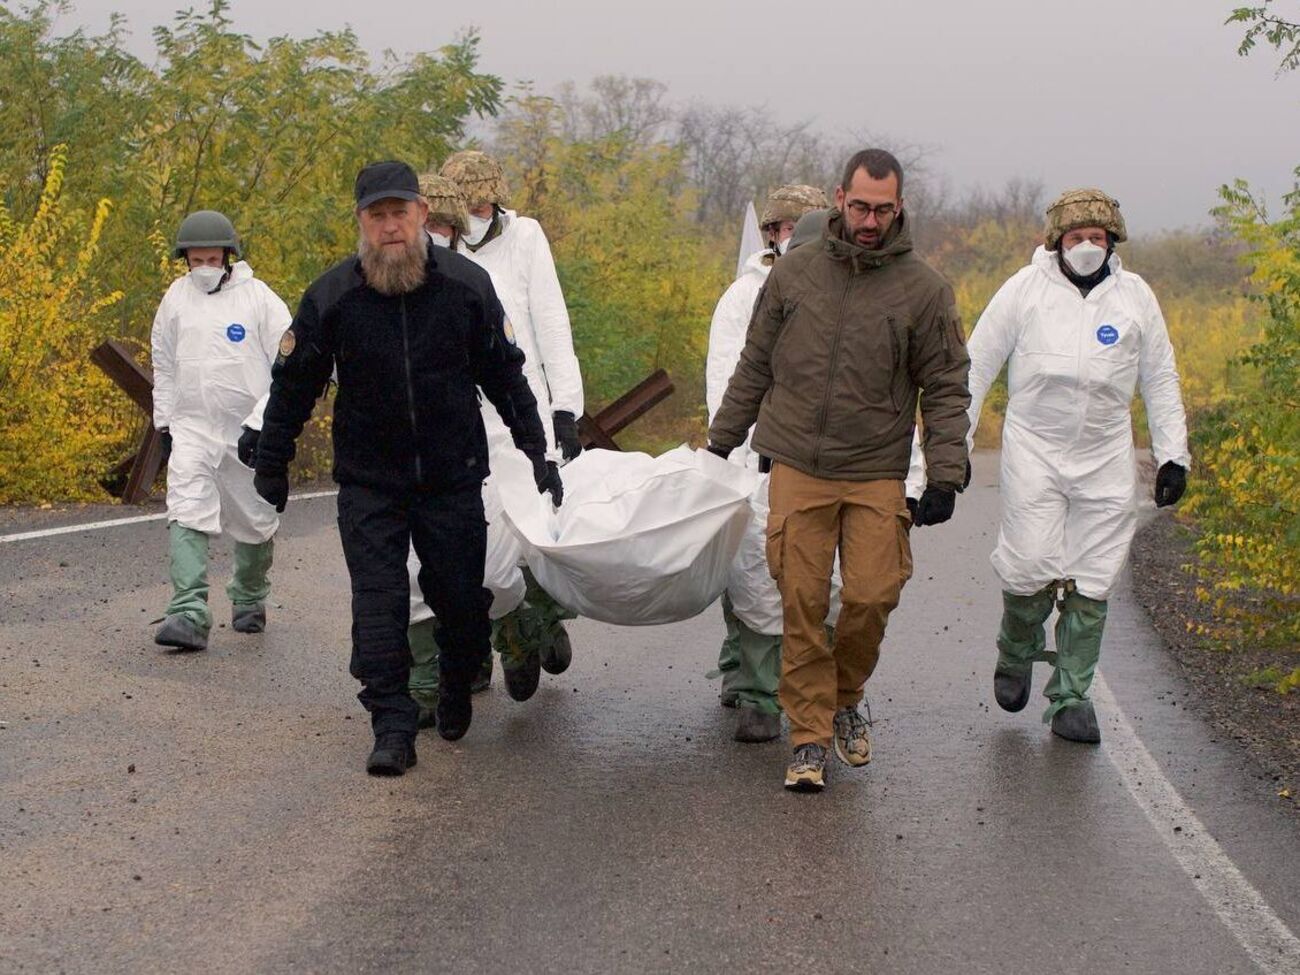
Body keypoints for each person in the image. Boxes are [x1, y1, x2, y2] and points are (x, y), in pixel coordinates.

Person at [253, 161, 559, 775]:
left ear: (422, 214)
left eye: (400, 212)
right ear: (362, 223)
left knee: (462, 605)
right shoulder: (333, 296)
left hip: (451, 477)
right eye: (377, 215)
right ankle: (390, 724)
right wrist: (271, 461)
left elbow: (506, 374)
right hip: (370, 482)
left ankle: (455, 678)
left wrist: (536, 449)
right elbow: (292, 387)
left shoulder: (466, 286)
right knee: (379, 604)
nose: (390, 226)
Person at [708, 149, 972, 791]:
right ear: (838, 199)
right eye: (859, 207)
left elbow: (945, 384)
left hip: (877, 468)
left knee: (872, 595)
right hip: (797, 461)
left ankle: (845, 694)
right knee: (798, 600)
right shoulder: (794, 275)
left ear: (899, 206)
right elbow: (755, 364)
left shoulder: (925, 290)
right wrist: (720, 443)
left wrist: (944, 471)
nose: (870, 220)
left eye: (883, 209)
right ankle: (807, 739)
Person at [966, 188, 1190, 743]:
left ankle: (1071, 695)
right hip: (1034, 451)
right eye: (1076, 237)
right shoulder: (1024, 291)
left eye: (1097, 237)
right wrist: (955, 445)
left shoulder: (1135, 298)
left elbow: (1160, 377)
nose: (1087, 246)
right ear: (1056, 242)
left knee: (1095, 575)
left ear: (1113, 241)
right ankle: (1015, 652)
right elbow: (975, 367)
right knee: (1029, 564)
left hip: (1104, 452)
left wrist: (1172, 455)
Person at [440, 149, 586, 701]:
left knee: (530, 533)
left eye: (484, 200)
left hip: (523, 411)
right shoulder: (436, 247)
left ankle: (538, 624)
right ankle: (496, 641)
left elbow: (551, 321)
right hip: (463, 420)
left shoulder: (525, 238)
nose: (477, 210)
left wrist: (565, 407)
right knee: (471, 537)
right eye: (466, 202)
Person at [706, 184, 829, 743]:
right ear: (772, 235)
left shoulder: (845, 290)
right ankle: (756, 690)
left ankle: (805, 686)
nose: (794, 238)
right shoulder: (742, 297)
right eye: (785, 228)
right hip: (759, 454)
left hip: (824, 461)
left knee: (816, 577)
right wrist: (730, 447)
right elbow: (732, 376)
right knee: (754, 569)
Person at [151, 210, 291, 651]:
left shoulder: (260, 300)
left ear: (229, 257)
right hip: (192, 427)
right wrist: (165, 421)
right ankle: (188, 611)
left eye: (213, 259)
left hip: (247, 433)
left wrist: (267, 424)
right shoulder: (175, 299)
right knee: (186, 507)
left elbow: (289, 369)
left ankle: (249, 596)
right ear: (185, 260)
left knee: (255, 519)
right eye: (196, 261)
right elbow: (164, 362)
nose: (205, 268)